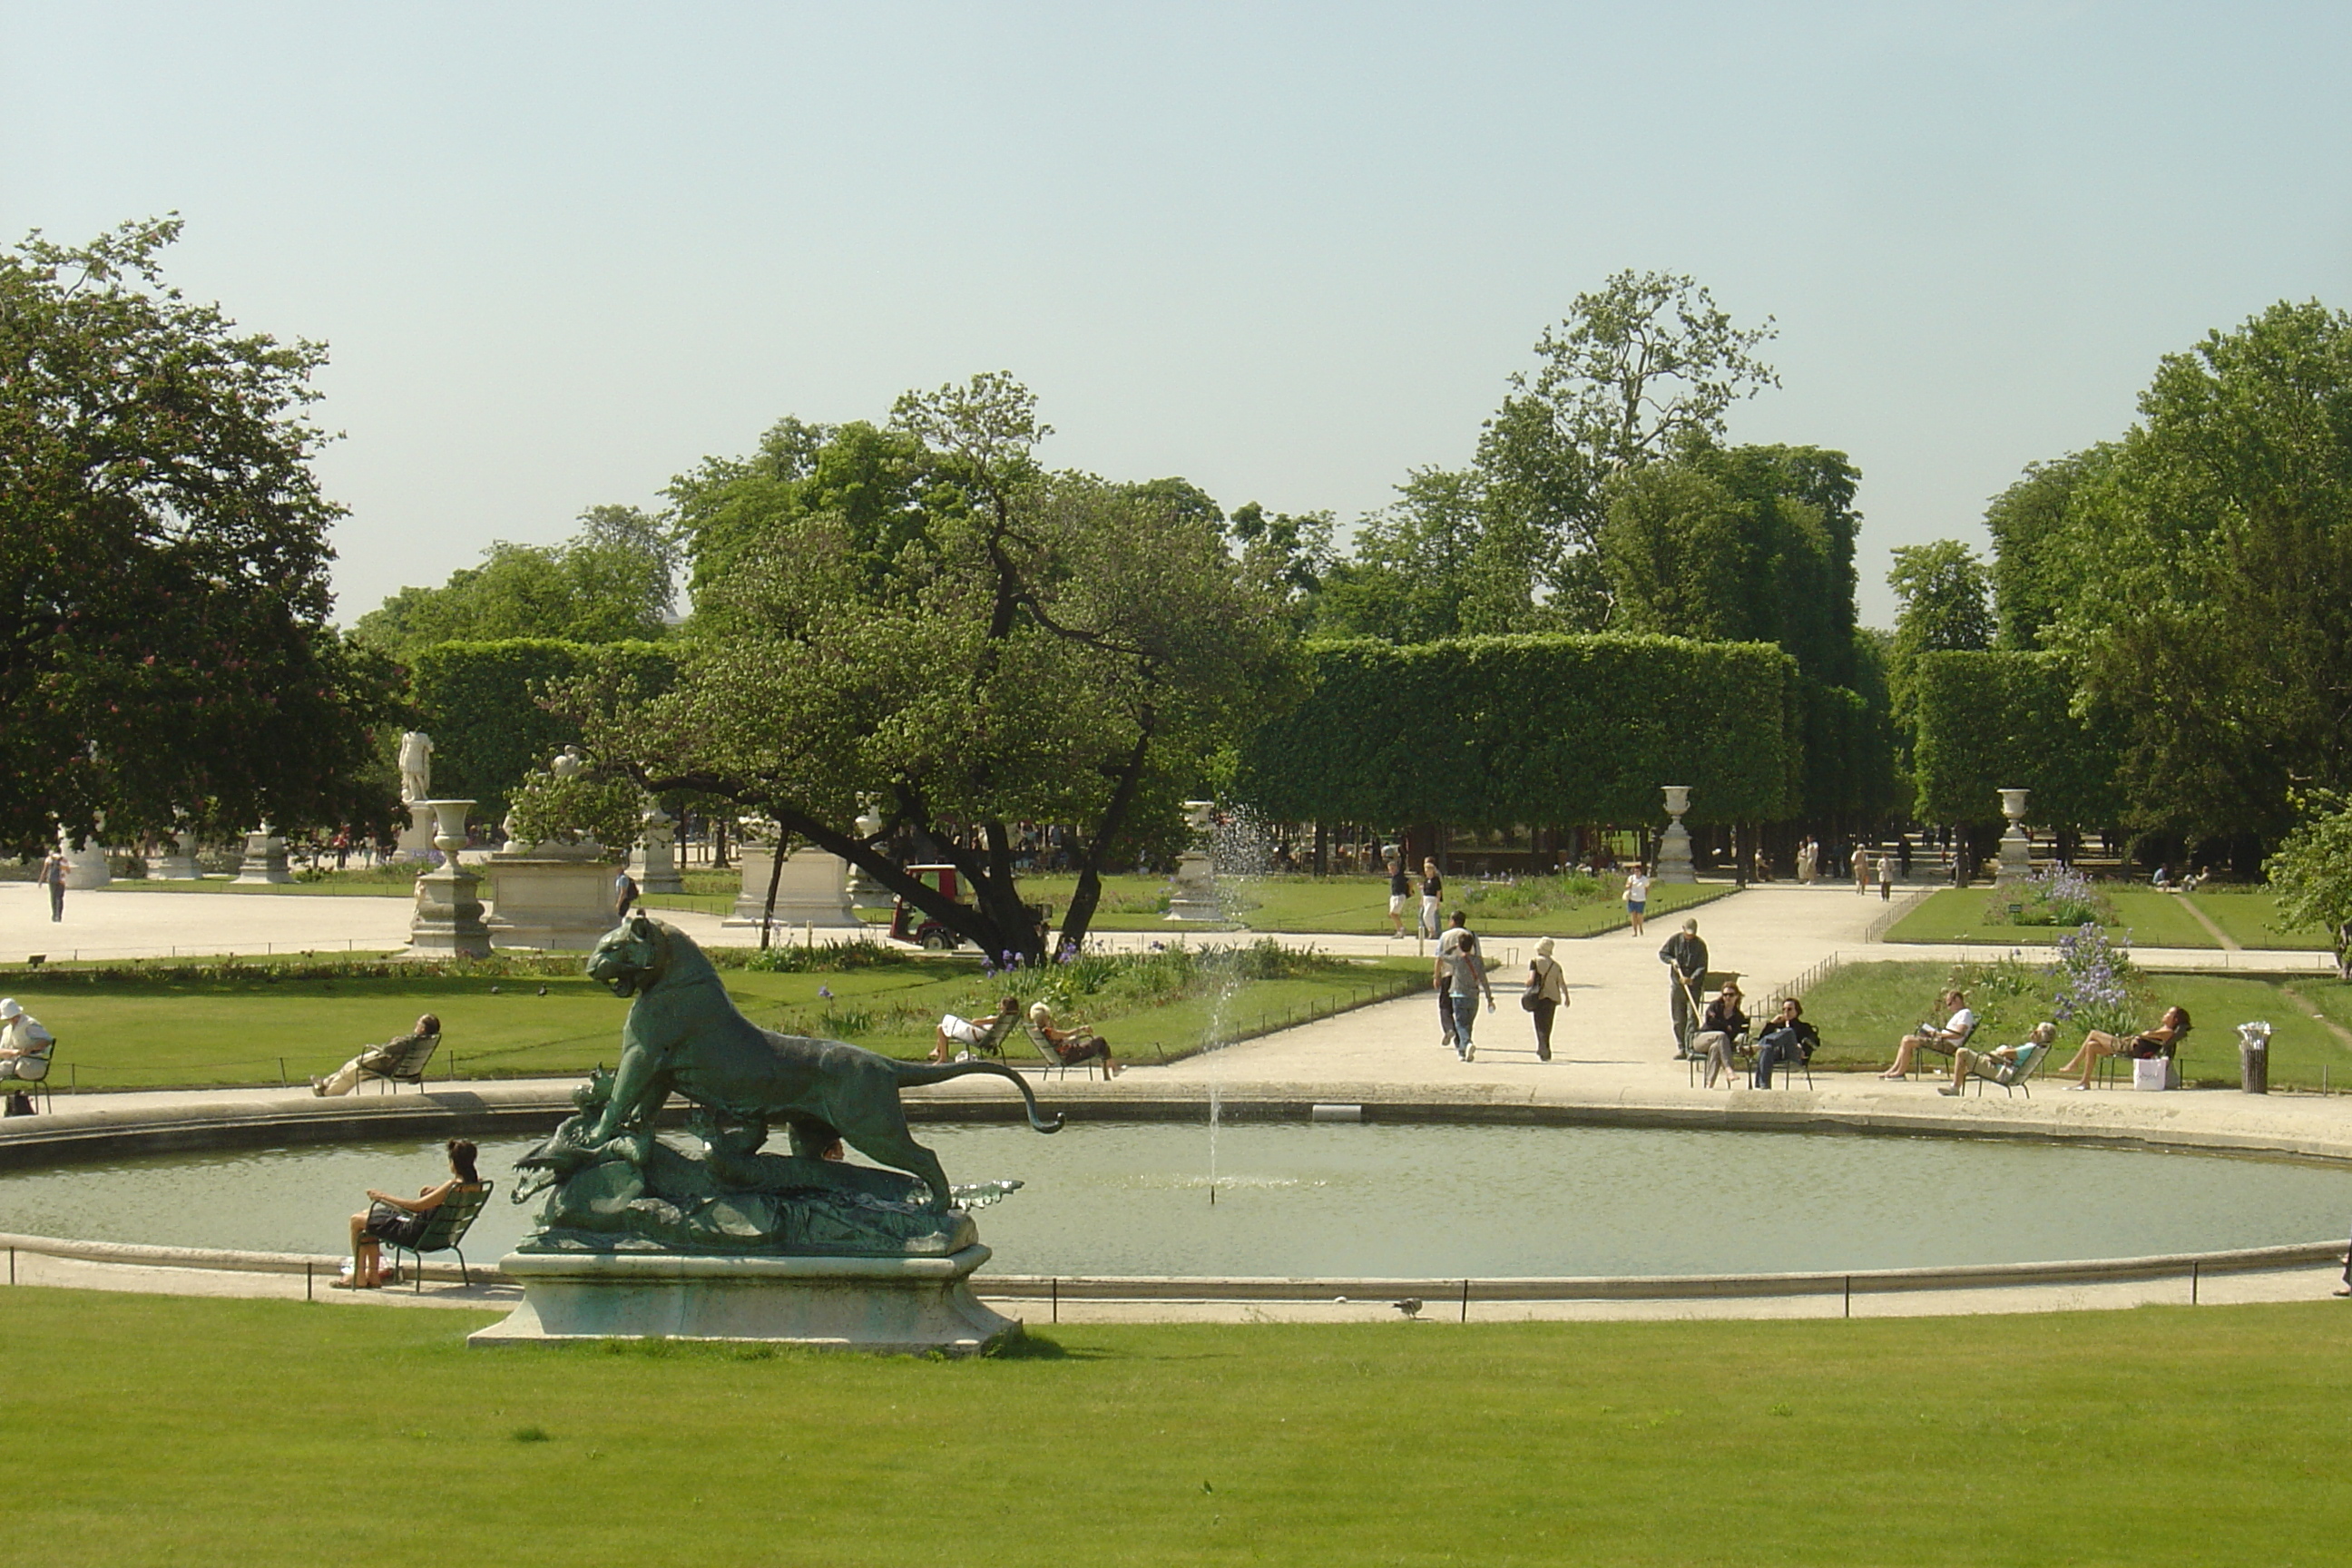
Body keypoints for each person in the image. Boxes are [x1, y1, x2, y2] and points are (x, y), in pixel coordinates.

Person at [340, 1138, 482, 1289]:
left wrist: (382, 1196)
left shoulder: (453, 1185)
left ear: (453, 1163)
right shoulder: (476, 1185)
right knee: (368, 1215)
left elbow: (416, 1206)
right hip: (440, 1236)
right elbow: (448, 1196)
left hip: (414, 1235)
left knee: (356, 1220)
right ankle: (372, 1277)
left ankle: (360, 1277)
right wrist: (435, 1191)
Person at [2057, 1004, 2190, 1091]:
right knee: (2092, 1046)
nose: (2165, 1014)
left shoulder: (2169, 1032)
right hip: (2128, 1046)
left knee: (2093, 1034)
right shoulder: (2164, 1030)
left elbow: (2146, 1034)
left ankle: (2074, 1064)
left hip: (2129, 1048)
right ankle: (2084, 1082)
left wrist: (2145, 1034)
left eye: (2169, 1013)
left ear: (2175, 1020)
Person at [312, 1014, 440, 1096]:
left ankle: (325, 1091)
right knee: (348, 1070)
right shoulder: (422, 1043)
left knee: (350, 1071)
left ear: (423, 1029)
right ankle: (324, 1082)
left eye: (418, 1023)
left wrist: (394, 1040)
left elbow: (387, 1049)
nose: (416, 1025)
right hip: (396, 1067)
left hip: (382, 1066)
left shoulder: (408, 1041)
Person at [1433, 910, 1494, 1062]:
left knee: (1447, 1009)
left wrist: (1436, 975)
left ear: (1453, 920)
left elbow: (1440, 956)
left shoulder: (1446, 936)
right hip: (1472, 989)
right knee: (1468, 1022)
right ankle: (1463, 1048)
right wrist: (1489, 997)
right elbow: (1480, 963)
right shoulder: (1471, 936)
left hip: (1451, 978)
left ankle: (1455, 1034)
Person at [1938, 1022, 2057, 1097]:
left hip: (1999, 1072)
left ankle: (1955, 1088)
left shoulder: (2030, 1047)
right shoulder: (2038, 1048)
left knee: (1962, 1052)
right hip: (2010, 1073)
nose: (2033, 1032)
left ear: (2040, 1034)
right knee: (1970, 1058)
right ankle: (1956, 1085)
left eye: (2036, 1031)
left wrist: (2001, 1052)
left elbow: (2006, 1053)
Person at [1877, 990, 1975, 1080]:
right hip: (1942, 1041)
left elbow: (1959, 1034)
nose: (1949, 1008)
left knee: (1908, 1041)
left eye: (1950, 1004)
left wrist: (1938, 1035)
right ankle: (1894, 1070)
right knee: (1906, 1039)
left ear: (1957, 1000)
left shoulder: (1965, 1014)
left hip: (1947, 1044)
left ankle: (1899, 1073)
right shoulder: (1961, 1014)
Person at [1028, 1001, 1119, 1076]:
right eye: (1048, 1017)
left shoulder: (1037, 1031)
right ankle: (1113, 1068)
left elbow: (1060, 1041)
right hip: (1070, 1055)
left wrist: (1072, 1038)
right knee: (1100, 1041)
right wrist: (1082, 1029)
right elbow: (1067, 1034)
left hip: (1062, 1055)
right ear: (1044, 1018)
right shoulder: (1049, 1031)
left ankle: (1113, 1068)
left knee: (1099, 1044)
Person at [1658, 918, 1708, 1055]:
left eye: (1692, 933)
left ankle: (1691, 1047)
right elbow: (1662, 953)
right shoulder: (1674, 940)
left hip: (1693, 986)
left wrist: (1691, 979)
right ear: (1683, 929)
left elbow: (1702, 966)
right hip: (1677, 985)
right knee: (1678, 1018)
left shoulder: (1700, 945)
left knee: (1692, 1018)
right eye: (1688, 933)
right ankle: (1681, 1047)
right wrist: (1671, 960)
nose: (1690, 936)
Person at [0, 998, 55, 1115]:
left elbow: (47, 1041)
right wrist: (14, 1052)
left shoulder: (30, 1024)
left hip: (33, 1063)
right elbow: (2, 1051)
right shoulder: (7, 1030)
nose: (13, 1020)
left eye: (14, 1016)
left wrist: (31, 1049)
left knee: (14, 1066)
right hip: (14, 1062)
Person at [1750, 997, 1820, 1089]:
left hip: (1795, 1055)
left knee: (1789, 1032)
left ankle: (1755, 1048)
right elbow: (1761, 1038)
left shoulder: (1804, 1027)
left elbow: (1816, 1043)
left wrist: (1803, 1047)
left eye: (1789, 1009)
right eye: (1784, 1009)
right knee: (1766, 1047)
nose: (1786, 1012)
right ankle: (1764, 1085)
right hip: (1777, 1054)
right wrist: (1772, 1023)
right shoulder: (1778, 1025)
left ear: (1797, 1011)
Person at [1693, 980, 1749, 1089]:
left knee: (1716, 1048)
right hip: (1702, 1039)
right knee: (1721, 1036)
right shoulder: (1715, 1006)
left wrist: (1723, 1027)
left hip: (1719, 1043)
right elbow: (1710, 1021)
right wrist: (1725, 1027)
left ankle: (1709, 1084)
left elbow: (1732, 1034)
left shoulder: (1738, 1016)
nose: (1727, 997)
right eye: (1725, 995)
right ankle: (1728, 1069)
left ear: (1737, 996)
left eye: (1731, 995)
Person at [933, 996, 1020, 1063]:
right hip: (981, 1035)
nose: (999, 1007)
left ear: (1004, 1008)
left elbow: (975, 1022)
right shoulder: (1007, 1019)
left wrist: (975, 1021)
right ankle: (938, 1051)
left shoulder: (997, 1019)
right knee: (944, 1027)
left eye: (1001, 1005)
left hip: (973, 1035)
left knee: (941, 1027)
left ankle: (942, 1057)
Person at [1524, 937, 1566, 1063]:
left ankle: (1544, 1049)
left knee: (1539, 1024)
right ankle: (1544, 1047)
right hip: (1553, 997)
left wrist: (1527, 984)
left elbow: (1531, 979)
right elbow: (1561, 983)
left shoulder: (1535, 962)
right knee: (1548, 1024)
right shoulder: (1556, 965)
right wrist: (1567, 997)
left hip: (1540, 996)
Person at [1419, 858, 1444, 941]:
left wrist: (1438, 901)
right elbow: (1424, 891)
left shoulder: (1436, 880)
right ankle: (1431, 931)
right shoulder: (1426, 880)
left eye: (1427, 870)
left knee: (1427, 915)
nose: (1426, 872)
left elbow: (1438, 891)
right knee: (1426, 916)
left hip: (1432, 899)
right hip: (1426, 898)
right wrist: (1422, 900)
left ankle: (1433, 931)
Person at [1622, 863, 1651, 936]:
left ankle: (1640, 927)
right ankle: (1635, 931)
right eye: (1635, 871)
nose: (1636, 873)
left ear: (1640, 872)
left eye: (1638, 871)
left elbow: (1647, 888)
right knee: (1633, 915)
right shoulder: (1631, 878)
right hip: (1632, 899)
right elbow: (1627, 886)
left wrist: (1645, 896)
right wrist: (1629, 884)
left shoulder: (1644, 879)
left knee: (1639, 915)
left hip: (1641, 899)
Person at [38, 849, 64, 922]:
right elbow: (67, 870)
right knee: (59, 898)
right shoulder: (63, 859)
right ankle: (59, 916)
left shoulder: (49, 859)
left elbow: (45, 870)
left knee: (53, 897)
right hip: (61, 880)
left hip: (51, 880)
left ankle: (54, 915)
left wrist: (41, 880)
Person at [1387, 858, 1410, 938]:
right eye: (1390, 869)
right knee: (1393, 914)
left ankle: (1402, 929)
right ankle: (1399, 931)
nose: (1391, 870)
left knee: (1393, 914)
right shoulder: (1393, 877)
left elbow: (1410, 882)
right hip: (1394, 896)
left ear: (1396, 868)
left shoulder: (1400, 876)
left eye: (1393, 868)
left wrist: (1409, 891)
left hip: (1399, 896)